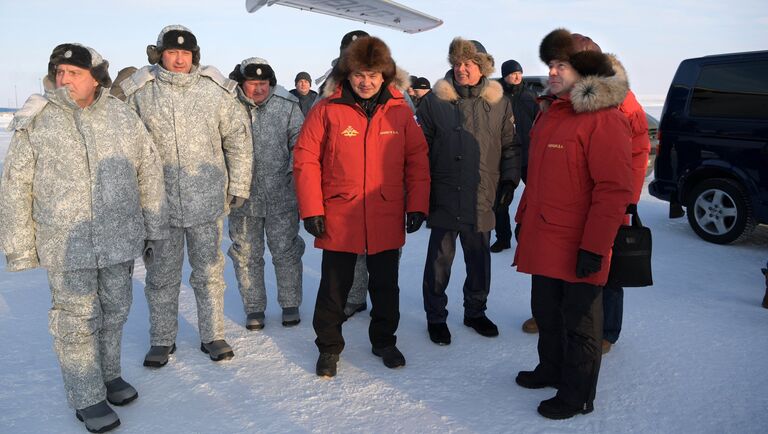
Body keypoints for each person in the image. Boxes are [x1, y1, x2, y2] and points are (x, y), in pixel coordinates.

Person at [0, 43, 168, 433]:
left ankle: (109, 376)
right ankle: (86, 395)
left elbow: (148, 169)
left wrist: (153, 226)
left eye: (73, 72)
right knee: (76, 320)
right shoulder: (39, 119)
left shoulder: (122, 116)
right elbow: (14, 186)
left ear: (96, 77)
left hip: (118, 239)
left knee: (114, 312)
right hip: (66, 244)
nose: (64, 79)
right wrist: (20, 247)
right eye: (59, 71)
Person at [513, 28, 633, 420]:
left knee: (581, 324)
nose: (551, 72)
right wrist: (523, 218)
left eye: (560, 65)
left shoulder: (603, 120)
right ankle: (551, 369)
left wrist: (595, 247)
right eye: (550, 65)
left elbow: (613, 190)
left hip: (580, 242)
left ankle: (577, 394)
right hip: (544, 235)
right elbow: (539, 178)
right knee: (546, 312)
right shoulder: (551, 114)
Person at [294, 35, 430, 377]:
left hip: (384, 213)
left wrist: (417, 205)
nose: (365, 82)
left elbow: (416, 159)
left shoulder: (399, 110)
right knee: (334, 287)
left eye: (372, 74)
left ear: (384, 75)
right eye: (358, 74)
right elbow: (306, 158)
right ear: (347, 74)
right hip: (340, 213)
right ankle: (328, 347)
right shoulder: (327, 109)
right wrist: (312, 209)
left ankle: (384, 340)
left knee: (385, 285)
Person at [121, 25, 253, 366]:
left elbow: (237, 139)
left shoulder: (214, 92)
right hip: (158, 205)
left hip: (205, 202)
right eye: (172, 52)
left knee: (209, 272)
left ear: (195, 56)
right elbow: (125, 150)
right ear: (159, 54)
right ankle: (162, 339)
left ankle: (213, 335)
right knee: (161, 277)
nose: (179, 60)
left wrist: (239, 184)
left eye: (186, 54)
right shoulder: (140, 93)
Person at [518, 35, 651, 354]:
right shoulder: (555, 100)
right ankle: (554, 317)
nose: (554, 71)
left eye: (563, 63)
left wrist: (624, 204)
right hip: (565, 197)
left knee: (606, 265)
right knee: (560, 263)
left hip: (610, 199)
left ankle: (606, 329)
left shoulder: (618, 99)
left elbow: (638, 149)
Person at [418, 37, 521, 345]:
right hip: (445, 195)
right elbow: (419, 151)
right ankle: (436, 317)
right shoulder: (434, 102)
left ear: (482, 67)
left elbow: (510, 146)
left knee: (479, 261)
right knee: (439, 260)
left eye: (468, 64)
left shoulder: (499, 101)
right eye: (457, 63)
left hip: (482, 194)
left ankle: (475, 312)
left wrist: (509, 181)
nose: (461, 69)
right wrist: (420, 193)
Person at [227, 57, 305, 330]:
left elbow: (301, 143)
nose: (258, 89)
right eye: (252, 83)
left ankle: (290, 303)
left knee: (286, 251)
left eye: (263, 84)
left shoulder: (288, 106)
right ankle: (254, 308)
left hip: (281, 195)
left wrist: (295, 177)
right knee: (246, 254)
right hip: (242, 198)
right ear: (242, 84)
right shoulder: (228, 106)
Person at [490, 59, 539, 253]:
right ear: (505, 75)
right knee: (501, 200)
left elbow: (540, 123)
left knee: (537, 198)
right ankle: (503, 238)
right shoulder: (497, 97)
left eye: (519, 72)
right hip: (507, 156)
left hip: (528, 155)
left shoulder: (531, 96)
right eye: (512, 73)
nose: (517, 76)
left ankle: (532, 235)